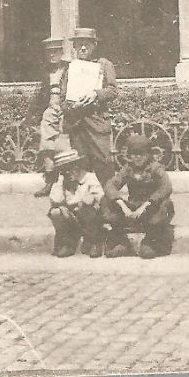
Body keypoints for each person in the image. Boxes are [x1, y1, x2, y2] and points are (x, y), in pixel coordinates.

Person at [102, 132, 175, 259]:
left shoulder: (155, 168)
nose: (138, 157)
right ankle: (121, 242)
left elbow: (166, 187)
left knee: (164, 203)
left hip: (151, 208)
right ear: (130, 155)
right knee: (106, 200)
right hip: (133, 208)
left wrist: (147, 204)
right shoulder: (127, 169)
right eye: (134, 154)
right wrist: (122, 204)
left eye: (142, 154)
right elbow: (110, 185)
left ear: (148, 155)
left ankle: (151, 243)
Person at [62, 27, 118, 189]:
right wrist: (71, 105)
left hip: (97, 122)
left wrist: (96, 94)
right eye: (79, 44)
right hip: (76, 124)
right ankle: (83, 207)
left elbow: (113, 90)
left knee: (104, 163)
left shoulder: (103, 64)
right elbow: (62, 97)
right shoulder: (70, 68)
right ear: (74, 47)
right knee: (79, 165)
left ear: (94, 45)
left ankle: (111, 204)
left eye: (87, 44)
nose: (83, 48)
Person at [28, 36, 71, 198]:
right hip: (50, 110)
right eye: (49, 53)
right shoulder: (45, 71)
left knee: (64, 142)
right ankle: (50, 181)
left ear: (61, 52)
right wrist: (30, 118)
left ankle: (68, 181)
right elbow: (41, 95)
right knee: (46, 143)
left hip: (68, 108)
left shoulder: (70, 68)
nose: (52, 55)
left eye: (55, 52)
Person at [44, 150, 105, 258]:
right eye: (63, 172)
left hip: (89, 219)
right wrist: (60, 182)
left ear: (77, 167)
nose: (68, 174)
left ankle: (93, 242)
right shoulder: (63, 181)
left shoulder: (90, 178)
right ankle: (68, 243)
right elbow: (55, 200)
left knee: (87, 207)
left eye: (70, 170)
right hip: (72, 220)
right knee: (56, 212)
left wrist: (85, 200)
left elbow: (97, 198)